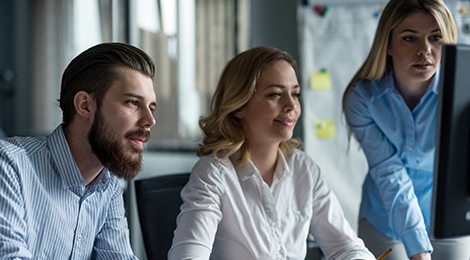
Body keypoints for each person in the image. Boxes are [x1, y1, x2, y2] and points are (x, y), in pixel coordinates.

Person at [168, 46, 375, 260]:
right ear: (239, 106)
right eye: (275, 94)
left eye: (295, 93)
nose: (291, 105)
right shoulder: (213, 174)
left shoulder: (302, 167)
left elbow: (346, 247)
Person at [0, 42, 157, 259]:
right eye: (132, 102)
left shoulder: (107, 186)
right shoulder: (3, 164)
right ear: (85, 105)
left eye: (151, 107)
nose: (150, 120)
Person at [342, 0, 470, 259]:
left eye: (436, 38)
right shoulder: (363, 98)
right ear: (387, 44)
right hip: (385, 221)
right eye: (410, 38)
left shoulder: (464, 90)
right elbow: (389, 172)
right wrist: (418, 247)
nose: (425, 50)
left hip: (449, 221)